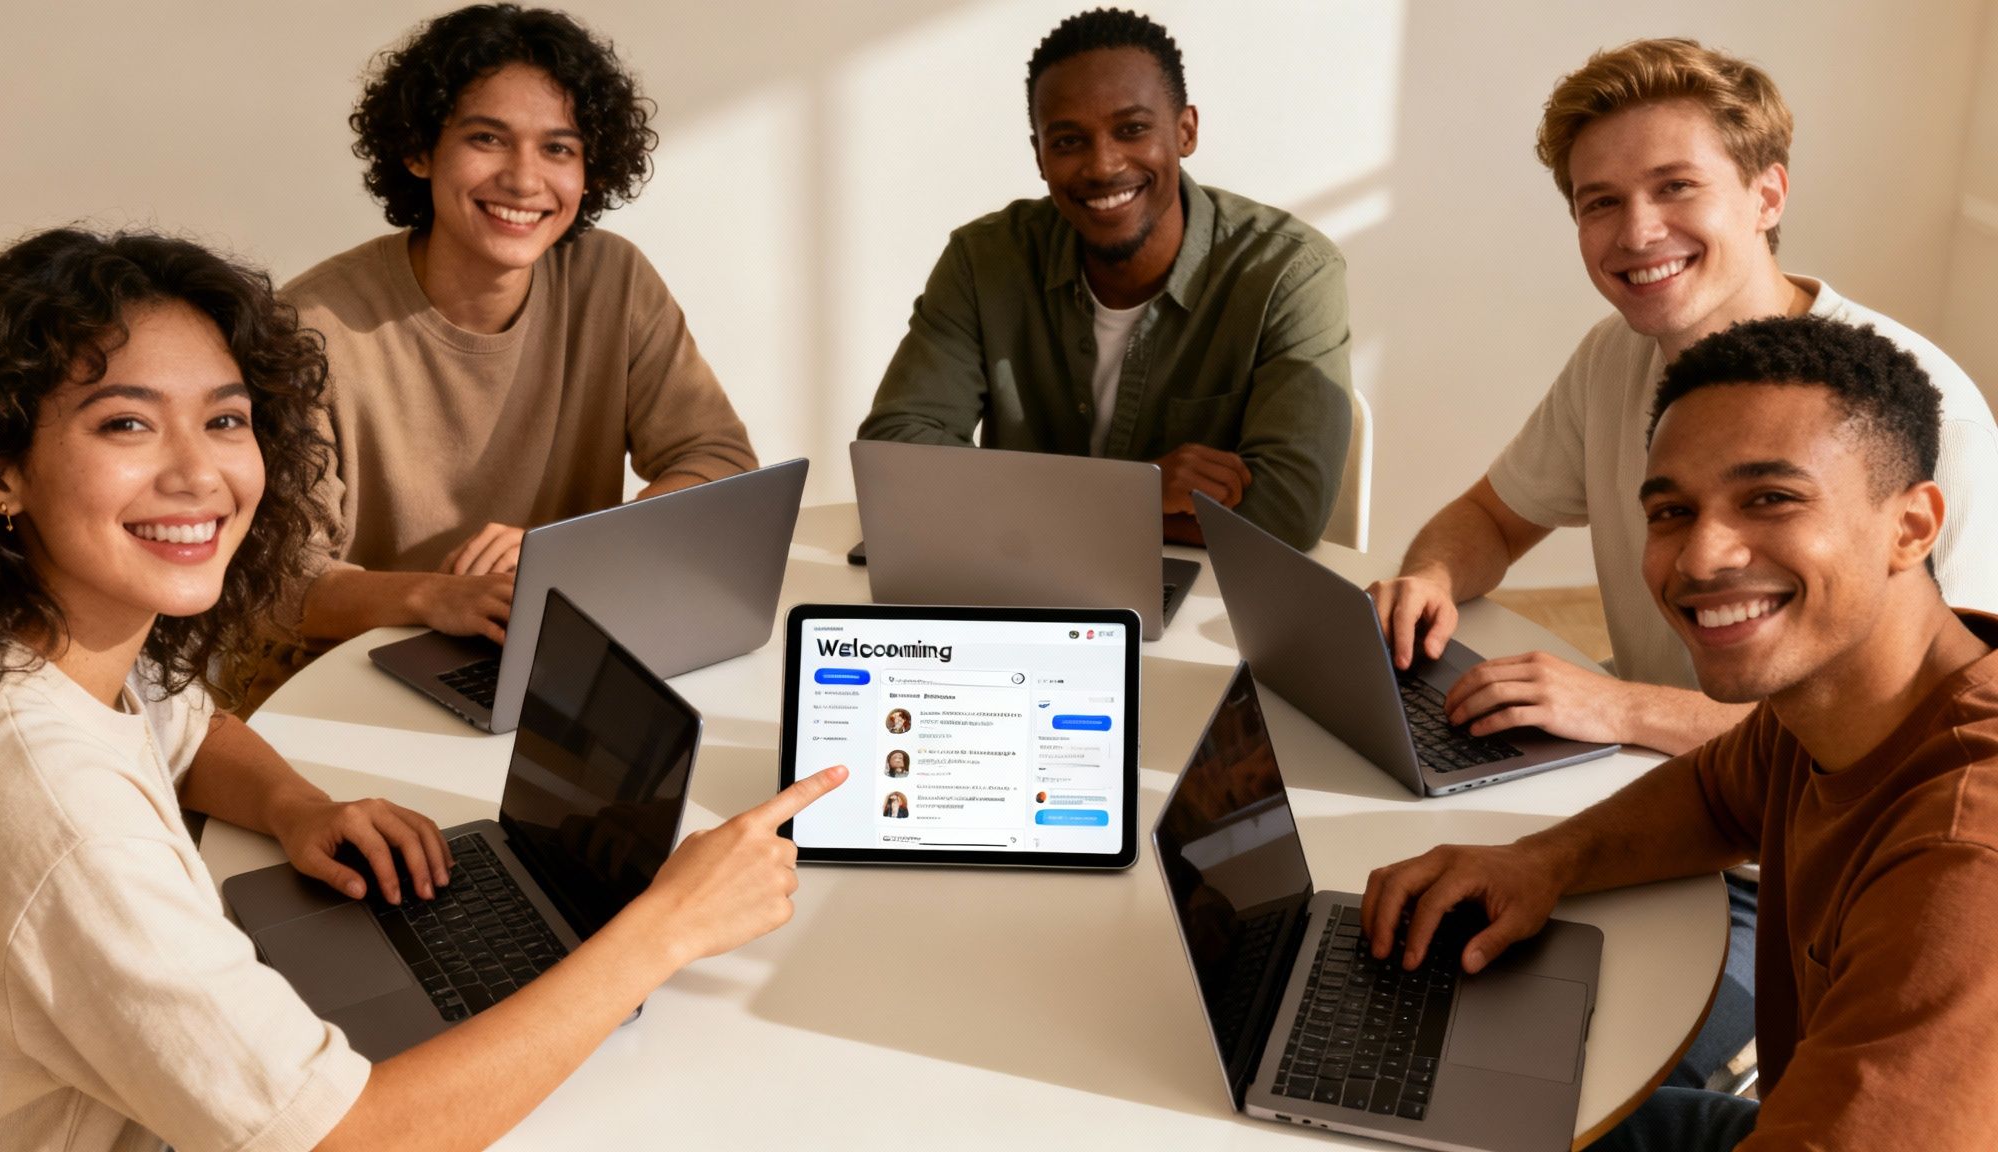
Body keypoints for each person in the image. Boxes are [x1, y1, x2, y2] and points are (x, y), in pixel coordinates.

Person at [0, 228, 843, 1150]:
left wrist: (296, 807)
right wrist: (665, 929)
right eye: (126, 424)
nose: (199, 474)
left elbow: (186, 724)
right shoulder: (64, 820)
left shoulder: (45, 653)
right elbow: (353, 1140)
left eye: (224, 419)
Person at [1366, 37, 1998, 1087]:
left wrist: (1620, 711)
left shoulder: (1909, 417)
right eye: (1597, 202)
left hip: (1793, 887)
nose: (1634, 232)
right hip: (1685, 809)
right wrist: (1538, 858)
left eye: (1672, 188)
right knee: (1411, 1037)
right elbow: (1751, 773)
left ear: (1764, 194)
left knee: (1511, 1070)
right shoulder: (1616, 361)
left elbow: (1903, 725)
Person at [1360, 315, 1998, 1150]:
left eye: (1771, 498)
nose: (1701, 557)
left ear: (1913, 527)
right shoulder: (1856, 700)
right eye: (1671, 510)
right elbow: (1715, 792)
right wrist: (1541, 862)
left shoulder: (1966, 861)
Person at [279, 4, 759, 678]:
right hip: (351, 678)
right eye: (487, 139)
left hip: (535, 657)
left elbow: (719, 461)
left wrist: (566, 552)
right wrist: (439, 597)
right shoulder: (308, 329)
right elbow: (275, 585)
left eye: (558, 148)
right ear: (418, 149)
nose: (526, 180)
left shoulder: (612, 278)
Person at [856, 7, 1353, 549]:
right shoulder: (984, 261)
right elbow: (896, 455)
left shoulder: (1288, 273)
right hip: (1021, 578)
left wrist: (1026, 510)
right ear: (1039, 156)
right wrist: (1133, 494)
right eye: (1069, 141)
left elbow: (1287, 511)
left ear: (1185, 130)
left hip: (1203, 603)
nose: (1103, 165)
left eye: (1132, 129)